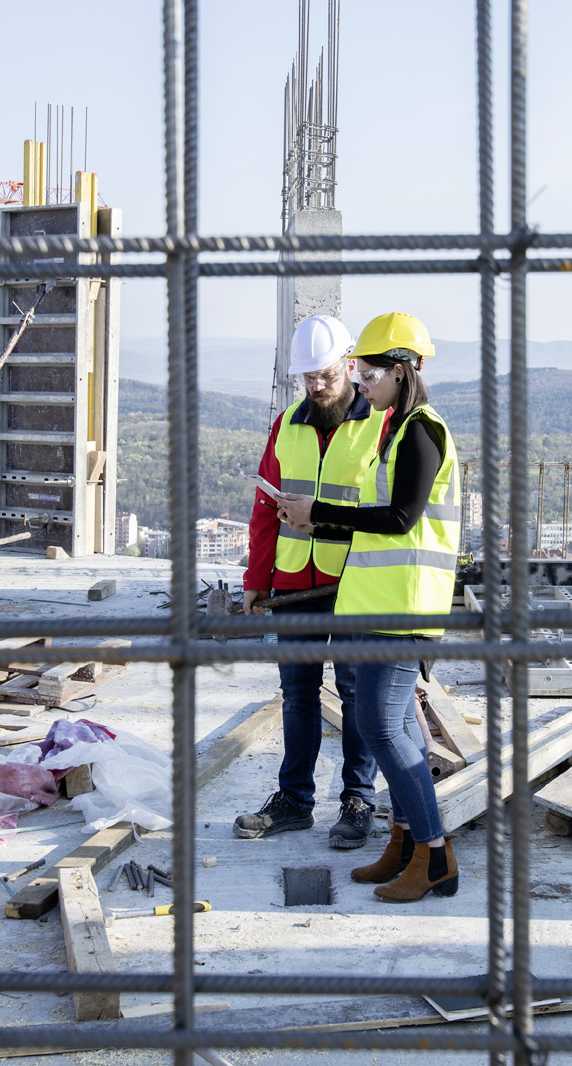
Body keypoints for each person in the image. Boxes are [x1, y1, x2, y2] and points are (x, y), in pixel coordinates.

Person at [276, 311, 461, 903]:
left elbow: (401, 519)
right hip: (378, 603)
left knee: (380, 726)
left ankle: (433, 854)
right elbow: (379, 528)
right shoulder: (394, 430)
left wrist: (320, 515)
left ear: (404, 372)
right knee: (399, 726)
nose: (363, 382)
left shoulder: (423, 432)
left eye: (372, 372)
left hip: (404, 609)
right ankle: (404, 844)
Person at [232, 314, 388, 849]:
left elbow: (387, 512)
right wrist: (257, 579)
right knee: (297, 695)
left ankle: (357, 799)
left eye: (325, 374)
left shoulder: (382, 424)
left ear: (349, 364)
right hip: (295, 584)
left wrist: (320, 519)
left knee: (355, 695)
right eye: (308, 377)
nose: (316, 386)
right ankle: (295, 801)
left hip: (355, 584)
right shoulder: (288, 424)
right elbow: (263, 509)